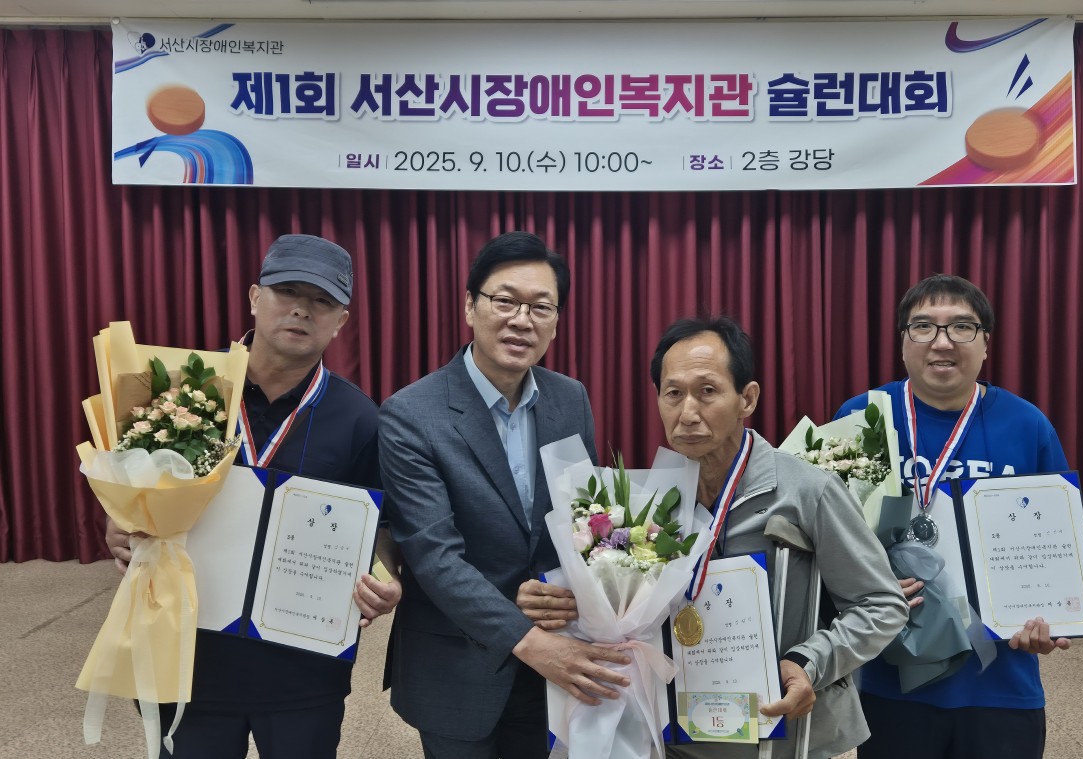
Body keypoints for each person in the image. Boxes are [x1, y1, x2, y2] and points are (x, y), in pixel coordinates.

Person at [521, 315, 908, 759]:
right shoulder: (646, 508)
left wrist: (808, 662)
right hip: (681, 740)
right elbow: (625, 615)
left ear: (747, 398)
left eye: (707, 391)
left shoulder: (806, 490)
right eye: (673, 393)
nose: (687, 413)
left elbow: (882, 603)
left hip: (788, 738)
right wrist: (564, 602)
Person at [105, 233, 401, 759]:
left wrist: (386, 578)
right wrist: (122, 518)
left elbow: (379, 525)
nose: (302, 310)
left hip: (302, 668)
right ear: (254, 297)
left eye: (322, 301)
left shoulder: (360, 418)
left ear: (341, 321)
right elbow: (131, 486)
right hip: (186, 654)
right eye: (287, 291)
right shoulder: (182, 388)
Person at [378, 231, 631, 759]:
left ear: (556, 321)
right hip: (458, 663)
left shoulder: (570, 399)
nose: (522, 320)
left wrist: (567, 586)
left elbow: (585, 521)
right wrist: (535, 642)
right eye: (505, 301)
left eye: (541, 307)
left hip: (557, 653)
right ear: (470, 306)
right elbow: (434, 556)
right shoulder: (411, 414)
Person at [835, 274, 1071, 759]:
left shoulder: (1027, 425)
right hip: (892, 675)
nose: (942, 342)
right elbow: (830, 540)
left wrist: (1053, 617)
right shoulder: (861, 419)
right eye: (923, 326)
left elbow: (1059, 547)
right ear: (903, 341)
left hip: (1001, 682)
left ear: (986, 343)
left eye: (962, 327)